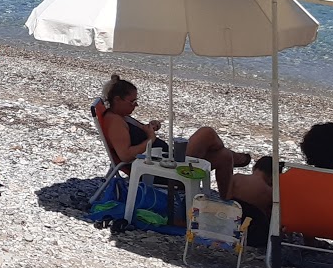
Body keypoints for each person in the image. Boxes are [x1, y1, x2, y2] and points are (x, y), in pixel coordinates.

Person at [92, 74, 251, 200]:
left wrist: (149, 127)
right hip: (162, 170)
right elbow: (125, 155)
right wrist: (150, 140)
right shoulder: (115, 122)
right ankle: (236, 158)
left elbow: (139, 135)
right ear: (117, 99)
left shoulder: (122, 117)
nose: (135, 105)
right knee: (206, 133)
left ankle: (226, 198)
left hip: (165, 161)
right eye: (132, 102)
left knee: (223, 156)